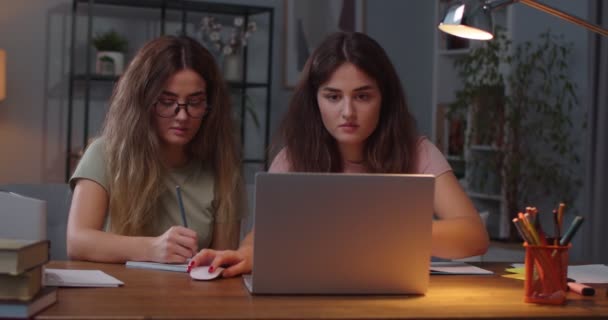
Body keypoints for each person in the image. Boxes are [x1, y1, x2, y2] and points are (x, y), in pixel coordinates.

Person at [190, 31, 489, 276]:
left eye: (362, 96)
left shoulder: (418, 152)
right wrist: (242, 255)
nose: (348, 112)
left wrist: (384, 231)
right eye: (333, 97)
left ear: (384, 99)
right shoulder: (293, 157)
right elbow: (264, 236)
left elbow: (473, 237)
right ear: (315, 100)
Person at [66, 35, 245, 263]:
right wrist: (151, 249)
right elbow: (77, 241)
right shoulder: (104, 153)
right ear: (143, 102)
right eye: (167, 102)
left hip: (188, 297)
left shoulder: (223, 170)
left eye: (195, 102)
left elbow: (220, 264)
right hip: (114, 296)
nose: (182, 116)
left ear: (210, 105)